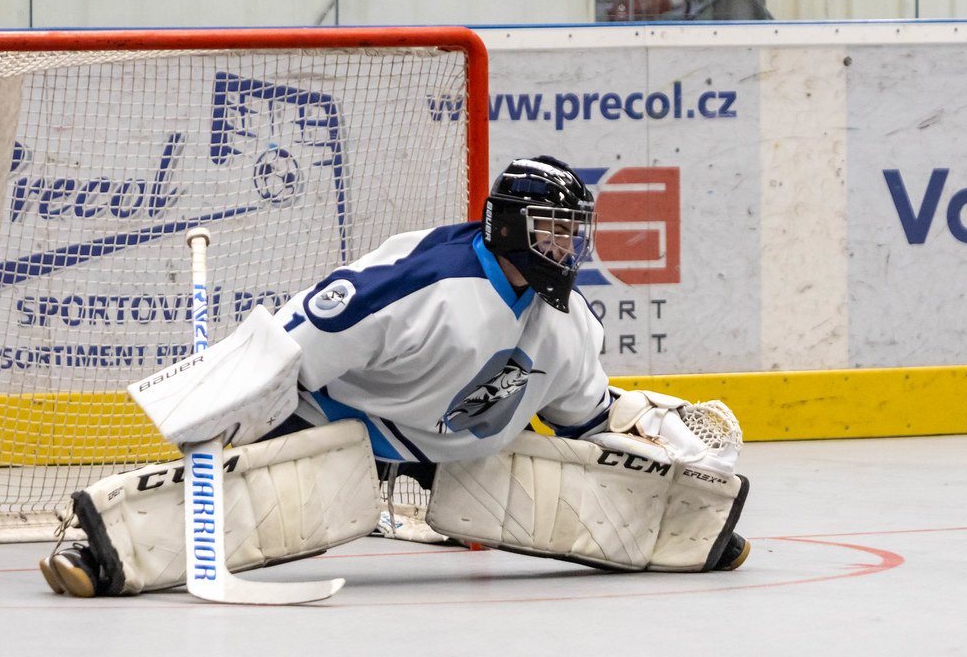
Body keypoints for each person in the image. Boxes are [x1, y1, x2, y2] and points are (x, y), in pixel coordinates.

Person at [40, 155, 749, 598]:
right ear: (508, 227)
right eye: (552, 229)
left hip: (460, 445)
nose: (567, 246)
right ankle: (100, 547)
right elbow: (291, 349)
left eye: (573, 231)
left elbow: (585, 426)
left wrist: (650, 446)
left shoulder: (568, 324)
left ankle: (690, 529)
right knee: (267, 501)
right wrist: (228, 431)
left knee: (568, 488)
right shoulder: (414, 288)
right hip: (349, 418)